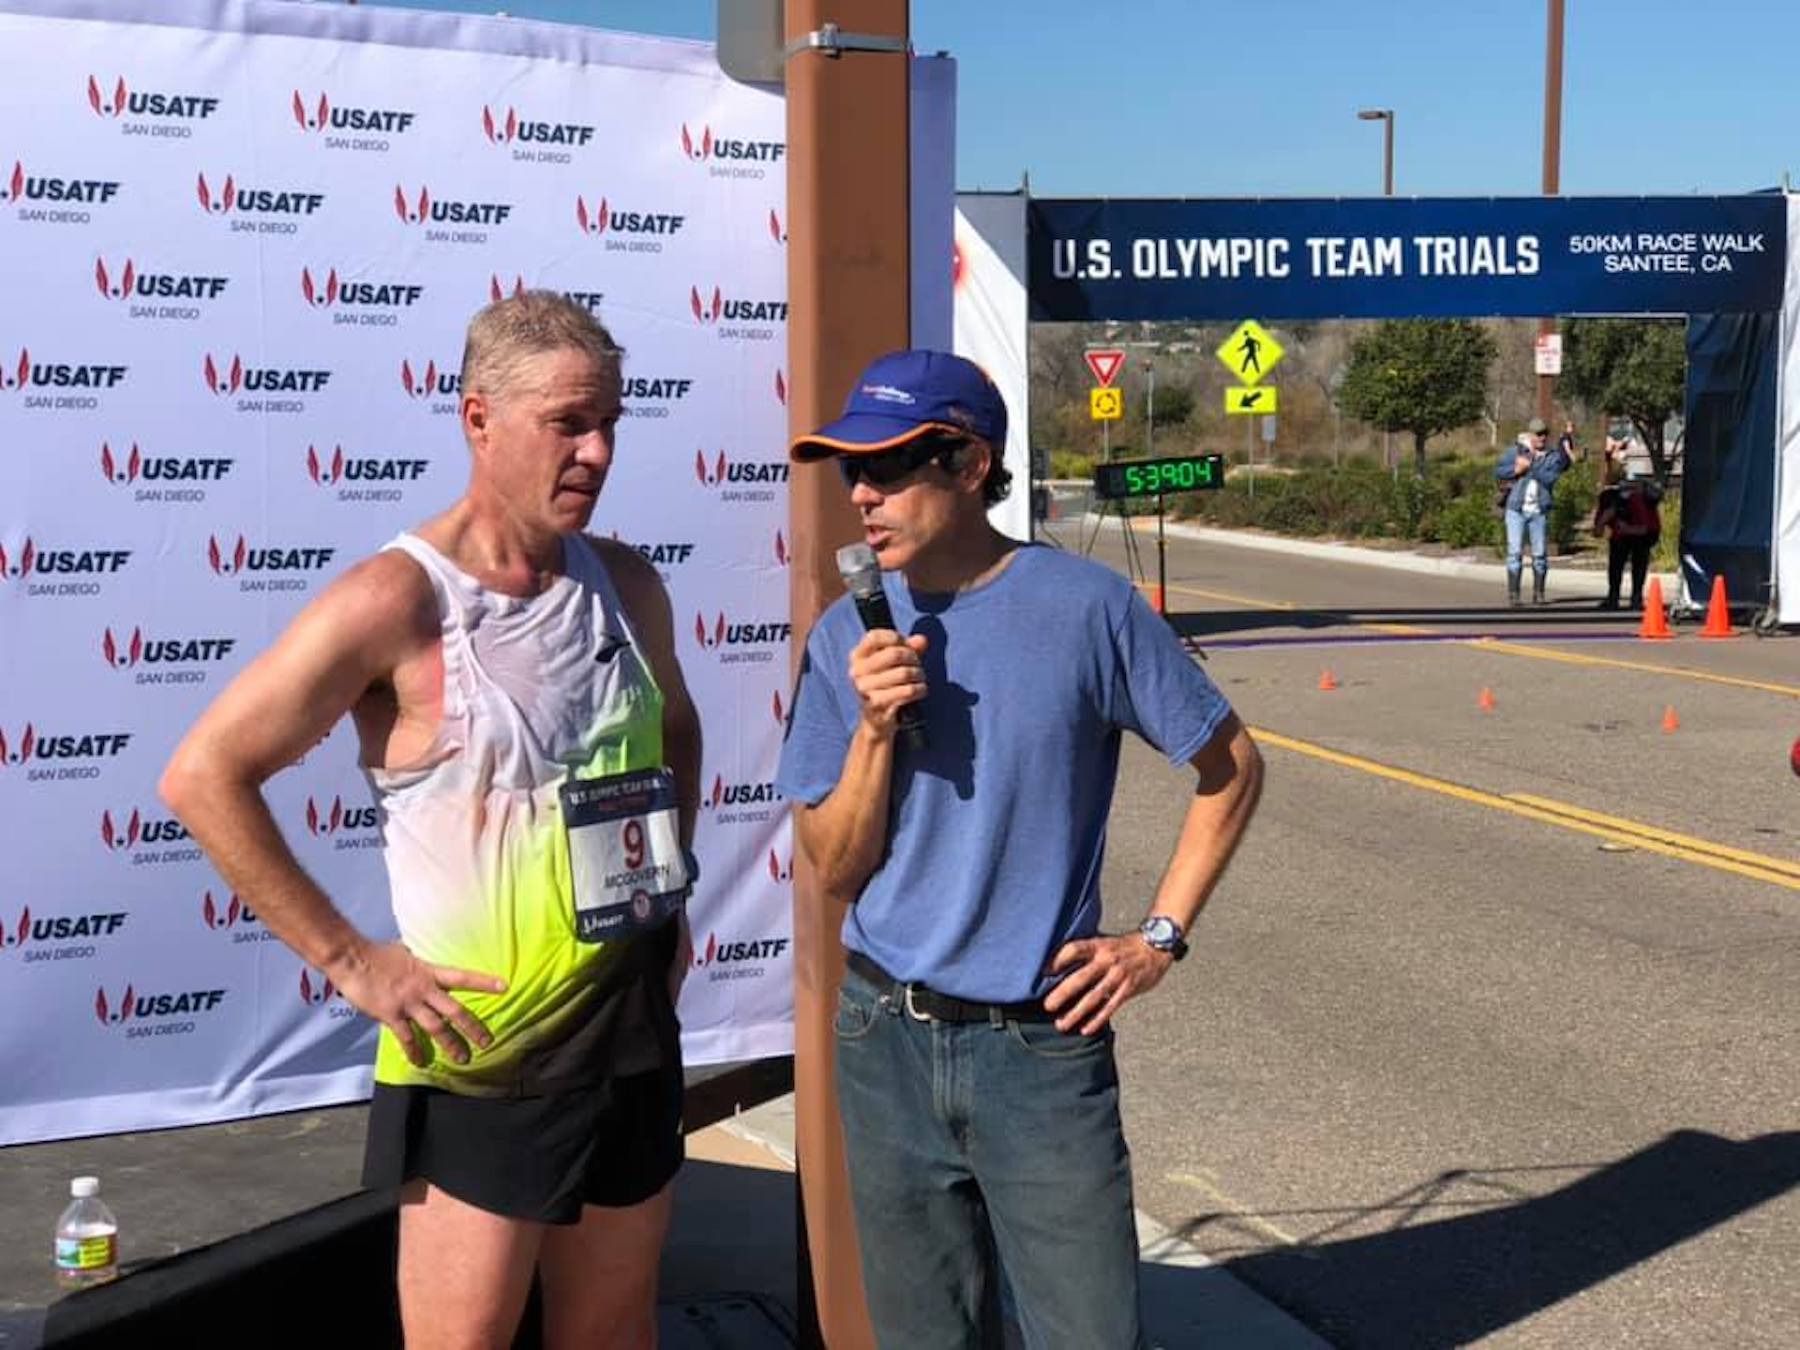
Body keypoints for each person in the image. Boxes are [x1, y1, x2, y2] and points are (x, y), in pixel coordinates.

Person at [160, 292, 700, 1350]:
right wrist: (354, 961)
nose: (595, 451)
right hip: (486, 1051)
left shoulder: (626, 584)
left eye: (610, 425)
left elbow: (675, 729)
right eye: (568, 423)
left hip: (631, 1030)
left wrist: (664, 891)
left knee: (615, 1329)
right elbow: (204, 774)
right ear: (478, 418)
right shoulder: (400, 602)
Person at [775, 350, 1264, 1348]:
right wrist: (873, 730)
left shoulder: (1089, 610)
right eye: (846, 472)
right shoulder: (843, 638)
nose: (860, 494)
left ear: (966, 464)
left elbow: (1232, 768)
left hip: (1039, 1048)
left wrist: (1157, 939)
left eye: (887, 468)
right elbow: (831, 869)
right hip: (885, 1037)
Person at [1495, 415, 1573, 607]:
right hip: (1516, 508)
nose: (1542, 438)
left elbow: (1550, 479)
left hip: (1539, 510)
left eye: (1544, 434)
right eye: (1538, 434)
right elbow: (1498, 471)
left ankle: (1539, 593)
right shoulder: (1515, 452)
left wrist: (1531, 467)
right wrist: (1516, 469)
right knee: (1514, 552)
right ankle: (1514, 594)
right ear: (1530, 435)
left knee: (1539, 554)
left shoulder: (1551, 456)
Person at [1593, 443, 1664, 611]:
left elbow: (1646, 529)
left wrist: (1624, 529)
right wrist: (1604, 525)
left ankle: (1636, 597)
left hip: (1644, 533)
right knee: (1616, 561)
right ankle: (1614, 596)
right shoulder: (1607, 500)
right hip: (1624, 534)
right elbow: (1598, 529)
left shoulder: (1638, 501)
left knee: (1639, 560)